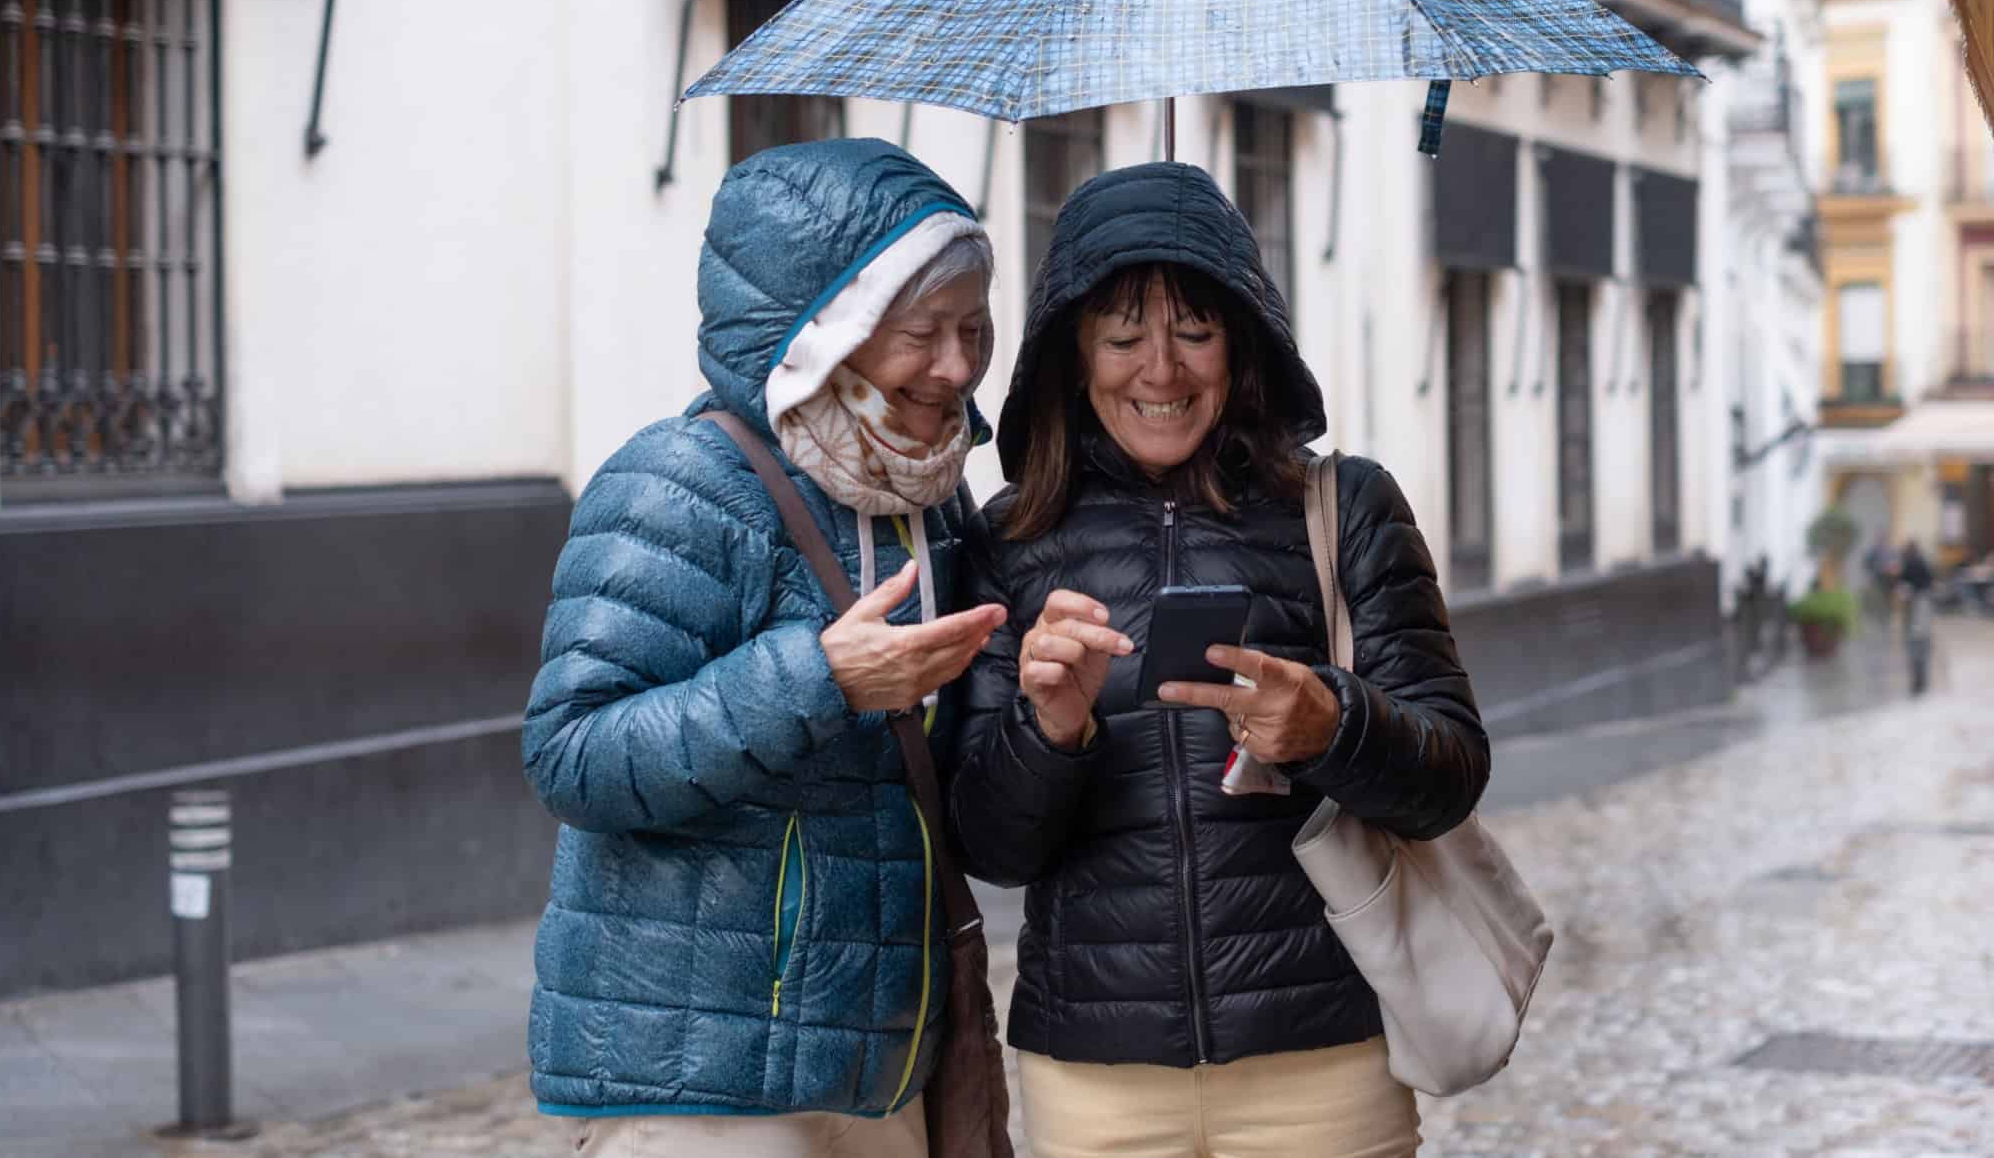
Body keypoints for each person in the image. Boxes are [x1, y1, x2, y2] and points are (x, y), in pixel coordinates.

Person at [946, 162, 1490, 1158]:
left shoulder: (1345, 507)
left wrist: (1331, 722)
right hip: (1096, 1081)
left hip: (1323, 1066)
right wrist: (1047, 729)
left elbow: (1449, 771)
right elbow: (991, 848)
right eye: (1122, 335)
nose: (1160, 369)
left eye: (1192, 329)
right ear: (1072, 353)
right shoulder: (1006, 543)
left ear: (1241, 343)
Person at [521, 138, 1007, 1158]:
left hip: (879, 1066)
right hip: (697, 1078)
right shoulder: (678, 481)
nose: (957, 365)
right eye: (923, 331)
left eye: (972, 327)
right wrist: (819, 677)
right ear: (822, 333)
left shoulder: (936, 500)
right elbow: (573, 755)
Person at [1897, 538, 1935, 694]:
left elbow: (1902, 587)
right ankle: (1922, 680)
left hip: (1914, 606)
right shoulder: (1923, 562)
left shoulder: (1909, 564)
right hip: (1923, 604)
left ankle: (1918, 681)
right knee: (1922, 640)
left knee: (1914, 643)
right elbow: (1931, 581)